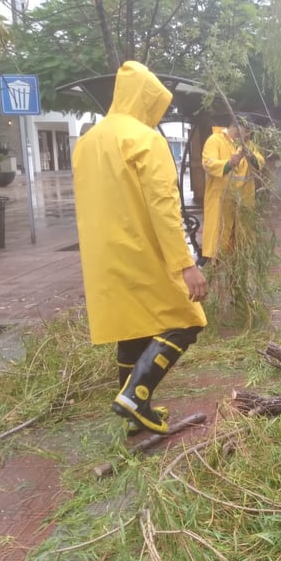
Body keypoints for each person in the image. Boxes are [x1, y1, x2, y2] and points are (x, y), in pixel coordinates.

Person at [72, 60, 208, 435]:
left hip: (103, 257)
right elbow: (164, 208)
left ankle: (134, 409)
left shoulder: (87, 142)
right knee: (187, 319)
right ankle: (136, 394)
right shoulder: (145, 140)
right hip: (141, 250)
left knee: (130, 326)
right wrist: (186, 265)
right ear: (147, 99)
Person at [201, 119, 264, 263]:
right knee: (219, 239)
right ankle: (214, 269)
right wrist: (229, 164)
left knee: (241, 244)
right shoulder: (215, 140)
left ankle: (236, 274)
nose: (248, 134)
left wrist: (249, 155)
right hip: (221, 199)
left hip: (243, 201)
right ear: (237, 127)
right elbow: (208, 163)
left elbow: (260, 161)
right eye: (246, 130)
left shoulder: (247, 145)